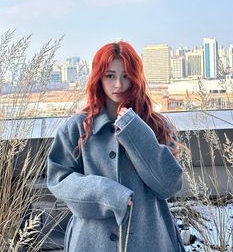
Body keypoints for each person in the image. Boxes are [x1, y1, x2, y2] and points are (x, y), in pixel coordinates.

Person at [47, 41, 186, 252]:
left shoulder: (157, 125)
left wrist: (136, 132)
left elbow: (169, 185)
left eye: (126, 76)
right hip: (91, 242)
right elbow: (59, 180)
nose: (118, 85)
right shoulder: (76, 127)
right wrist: (106, 193)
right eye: (110, 76)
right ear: (98, 78)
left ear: (136, 77)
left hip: (151, 240)